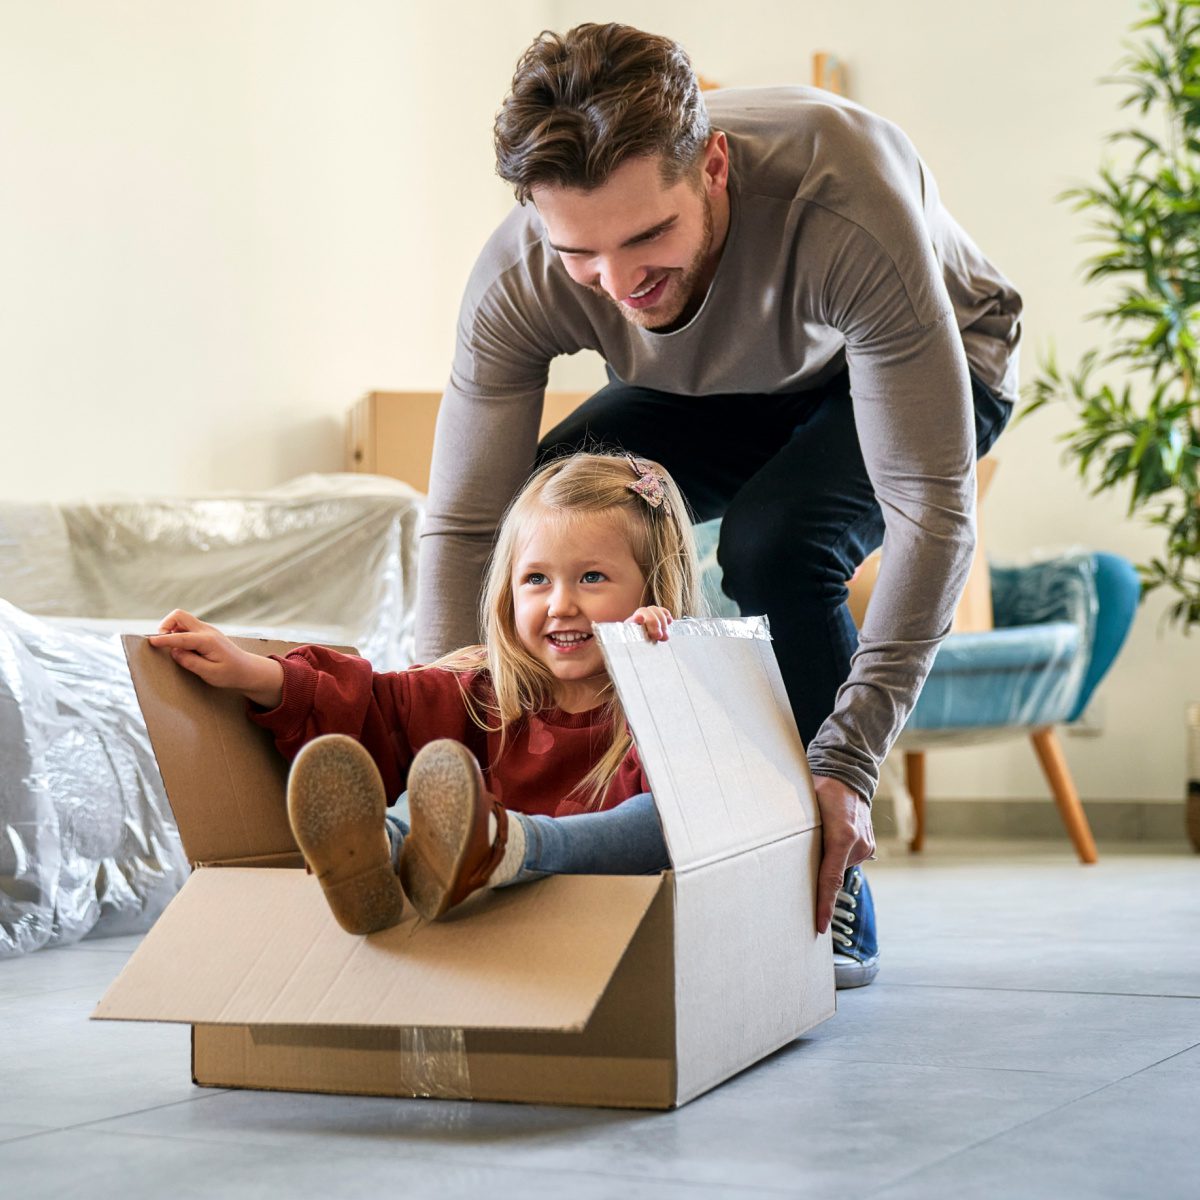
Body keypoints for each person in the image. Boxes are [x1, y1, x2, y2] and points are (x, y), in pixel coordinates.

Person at [416, 23, 1023, 988]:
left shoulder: (842, 199)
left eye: (647, 237)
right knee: (551, 512)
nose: (620, 285)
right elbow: (464, 524)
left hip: (931, 351)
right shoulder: (520, 274)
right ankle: (569, 805)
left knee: (777, 540)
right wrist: (442, 746)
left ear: (714, 167)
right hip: (721, 376)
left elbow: (930, 512)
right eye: (582, 255)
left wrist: (852, 761)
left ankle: (827, 865)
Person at [148, 452, 698, 933]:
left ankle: (506, 845)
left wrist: (656, 670)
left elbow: (688, 819)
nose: (560, 605)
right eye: (536, 579)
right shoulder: (484, 691)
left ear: (654, 587)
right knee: (429, 790)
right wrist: (251, 673)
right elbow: (376, 704)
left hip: (597, 915)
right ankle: (377, 855)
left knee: (671, 813)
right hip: (483, 919)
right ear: (507, 591)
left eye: (592, 578)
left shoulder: (670, 690)